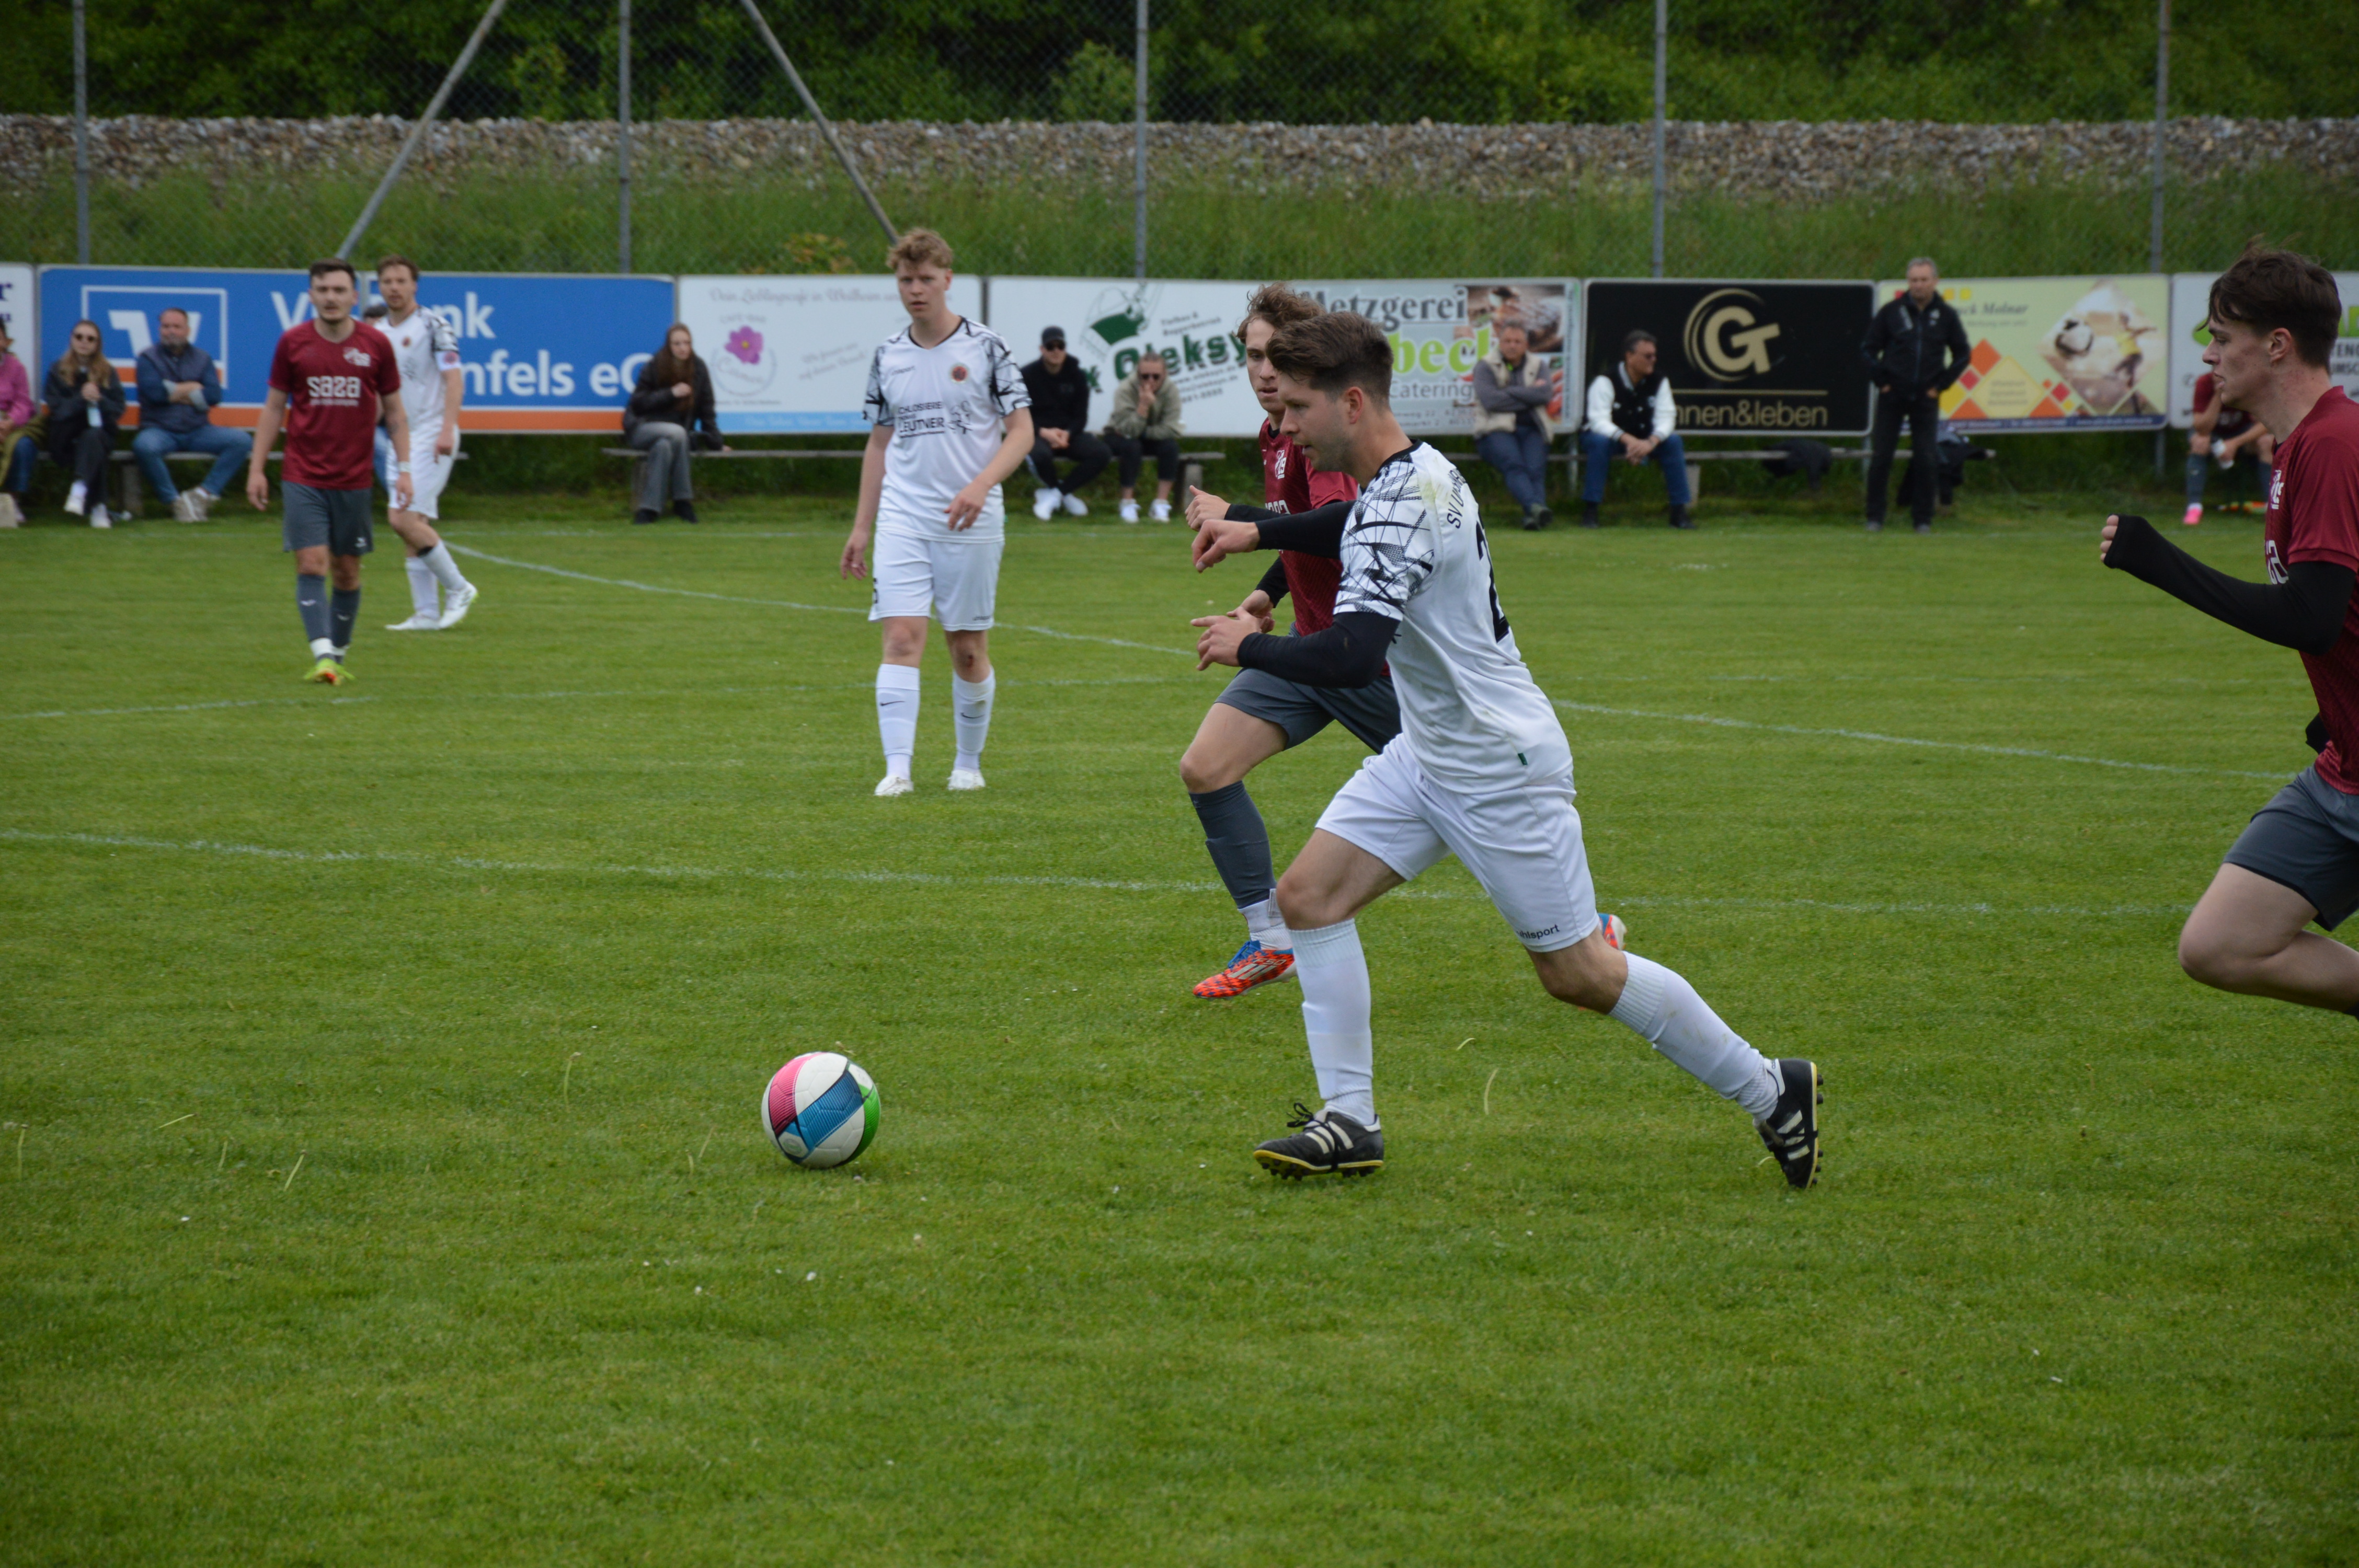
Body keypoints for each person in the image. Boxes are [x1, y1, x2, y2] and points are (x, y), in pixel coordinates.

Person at [1190, 311, 1822, 1186]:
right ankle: (1349, 1121)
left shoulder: (1398, 499)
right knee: (1308, 898)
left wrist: (1248, 645)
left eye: (1299, 407)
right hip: (1433, 755)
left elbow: (1351, 656)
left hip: (1497, 768)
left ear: (1353, 402)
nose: (1287, 425)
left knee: (1579, 972)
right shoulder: (1419, 470)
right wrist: (1261, 531)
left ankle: (1772, 1089)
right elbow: (1355, 525)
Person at [2099, 246, 2359, 1019]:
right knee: (2220, 945)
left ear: (2277, 344)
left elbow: (2312, 616)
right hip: (2345, 768)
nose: (2210, 356)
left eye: (2221, 337)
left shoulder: (2334, 444)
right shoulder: (2297, 448)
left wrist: (2160, 563)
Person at [1176, 283, 1395, 999]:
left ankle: (1582, 925)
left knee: (1471, 796)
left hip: (1366, 656)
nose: (1263, 372)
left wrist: (1243, 519)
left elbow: (1342, 523)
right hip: (1306, 647)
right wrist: (1269, 591)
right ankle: (1270, 938)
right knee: (1206, 767)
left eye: (1275, 357)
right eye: (1252, 356)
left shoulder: (1318, 435)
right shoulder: (1277, 434)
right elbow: (1298, 526)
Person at [839, 228, 1033, 797]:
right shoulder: (888, 354)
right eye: (906, 280)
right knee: (901, 638)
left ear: (947, 279)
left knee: (967, 649)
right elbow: (879, 444)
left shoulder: (986, 348)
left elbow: (1022, 432)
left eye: (926, 279)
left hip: (971, 520)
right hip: (904, 516)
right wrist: (861, 527)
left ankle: (967, 765)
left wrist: (980, 486)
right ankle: (897, 770)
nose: (916, 290)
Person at [246, 258, 410, 686]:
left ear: (355, 297)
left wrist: (405, 470)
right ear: (311, 295)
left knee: (347, 572)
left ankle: (337, 654)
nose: (331, 298)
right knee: (311, 563)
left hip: (354, 479)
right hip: (303, 474)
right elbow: (274, 408)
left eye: (339, 290)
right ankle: (322, 656)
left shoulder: (376, 345)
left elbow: (395, 412)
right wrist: (257, 468)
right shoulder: (293, 343)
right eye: (323, 290)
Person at [370, 256, 479, 632]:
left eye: (401, 281)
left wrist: (448, 429)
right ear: (380, 286)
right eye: (387, 281)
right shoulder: (377, 333)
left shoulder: (434, 325)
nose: (394, 288)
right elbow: (380, 395)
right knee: (411, 523)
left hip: (432, 433)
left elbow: (454, 380)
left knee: (401, 518)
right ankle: (427, 614)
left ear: (414, 285)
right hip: (401, 436)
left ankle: (459, 587)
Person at [1862, 257, 1971, 534]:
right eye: (1913, 280)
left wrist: (1941, 385)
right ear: (1907, 282)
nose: (1919, 285)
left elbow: (1963, 354)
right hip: (1892, 395)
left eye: (1924, 280)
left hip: (1926, 397)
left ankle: (1922, 519)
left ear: (1935, 281)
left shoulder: (1946, 315)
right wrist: (1882, 382)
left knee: (1926, 458)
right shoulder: (1892, 312)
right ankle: (1875, 517)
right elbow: (1868, 349)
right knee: (1882, 457)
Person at [132, 306, 251, 523]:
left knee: (241, 441)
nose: (171, 331)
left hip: (198, 430)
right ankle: (175, 503)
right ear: (159, 330)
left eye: (177, 327)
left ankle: (202, 496)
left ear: (188, 330)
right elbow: (155, 394)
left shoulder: (202, 358)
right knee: (144, 446)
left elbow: (213, 396)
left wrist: (173, 391)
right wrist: (193, 388)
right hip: (160, 430)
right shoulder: (147, 358)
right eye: (166, 327)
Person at [1580, 329, 1691, 529]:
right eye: (1648, 356)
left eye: (1654, 356)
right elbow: (1598, 421)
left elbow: (1667, 418)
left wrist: (1650, 443)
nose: (1653, 360)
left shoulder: (1659, 381)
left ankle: (1679, 513)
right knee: (1599, 442)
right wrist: (1630, 441)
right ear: (1630, 356)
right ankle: (1591, 511)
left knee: (1674, 442)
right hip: (1610, 439)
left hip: (1645, 440)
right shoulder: (1605, 381)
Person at [624, 324, 724, 525]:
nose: (683, 348)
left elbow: (707, 409)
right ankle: (683, 501)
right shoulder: (655, 365)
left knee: (664, 447)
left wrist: (716, 443)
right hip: (642, 427)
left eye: (687, 343)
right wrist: (671, 393)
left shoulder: (699, 368)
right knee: (678, 433)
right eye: (677, 344)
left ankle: (649, 510)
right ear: (669, 346)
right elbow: (638, 403)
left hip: (673, 436)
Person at [1472, 319, 1561, 531]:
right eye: (1508, 341)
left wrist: (1509, 392)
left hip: (1533, 428)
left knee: (1535, 469)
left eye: (1517, 342)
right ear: (1500, 342)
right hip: (1495, 430)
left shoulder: (1539, 365)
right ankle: (1536, 508)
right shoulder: (1485, 366)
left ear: (1526, 344)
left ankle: (1533, 516)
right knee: (1514, 465)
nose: (1512, 346)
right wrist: (1529, 395)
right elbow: (1491, 401)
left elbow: (1544, 395)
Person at [1019, 325, 1107, 520]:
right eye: (1051, 347)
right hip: (1038, 433)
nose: (1056, 351)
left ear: (1065, 348)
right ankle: (1060, 492)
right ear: (1042, 349)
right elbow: (1021, 415)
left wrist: (1068, 434)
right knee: (1039, 455)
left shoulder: (1078, 375)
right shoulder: (1027, 375)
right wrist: (1044, 432)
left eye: (1061, 346)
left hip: (1068, 435)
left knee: (1101, 453)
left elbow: (1081, 417)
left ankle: (1056, 495)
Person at [44, 319, 125, 529]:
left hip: (96, 438)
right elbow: (58, 411)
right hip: (65, 440)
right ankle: (99, 506)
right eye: (79, 337)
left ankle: (79, 490)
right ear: (72, 339)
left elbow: (118, 409)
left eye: (91, 339)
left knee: (94, 438)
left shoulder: (108, 372)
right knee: (93, 445)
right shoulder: (57, 370)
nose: (84, 342)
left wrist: (100, 399)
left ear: (98, 344)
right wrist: (82, 398)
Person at [2183, 366, 2276, 526]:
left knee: (2268, 442)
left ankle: (2272, 507)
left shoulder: (2246, 383)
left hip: (2240, 435)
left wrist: (2235, 443)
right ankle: (2194, 507)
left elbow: (2266, 424)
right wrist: (2218, 395)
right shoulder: (2204, 383)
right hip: (2213, 435)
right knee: (2199, 442)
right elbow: (2201, 428)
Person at [1103, 353, 1182, 523]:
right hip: (1119, 435)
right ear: (1138, 374)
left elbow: (1171, 429)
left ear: (1165, 375)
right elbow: (1128, 430)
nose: (1150, 380)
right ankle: (1127, 503)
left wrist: (1145, 433)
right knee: (1132, 446)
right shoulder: (1125, 389)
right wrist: (1143, 406)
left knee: (1171, 447)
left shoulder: (1171, 390)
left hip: (1148, 436)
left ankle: (1161, 503)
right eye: (1145, 376)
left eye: (1156, 376)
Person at [0, 318, 35, 529]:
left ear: (6, 342)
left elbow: (23, 402)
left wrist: (9, 423)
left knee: (22, 446)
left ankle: (13, 502)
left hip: (11, 425)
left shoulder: (16, 367)